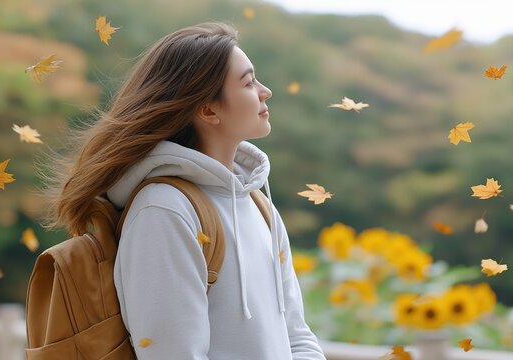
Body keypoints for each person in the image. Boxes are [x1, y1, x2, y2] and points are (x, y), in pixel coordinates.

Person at [43, 22, 326, 360]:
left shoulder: (257, 203)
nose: (265, 91)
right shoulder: (163, 210)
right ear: (208, 109)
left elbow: (297, 337)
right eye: (249, 83)